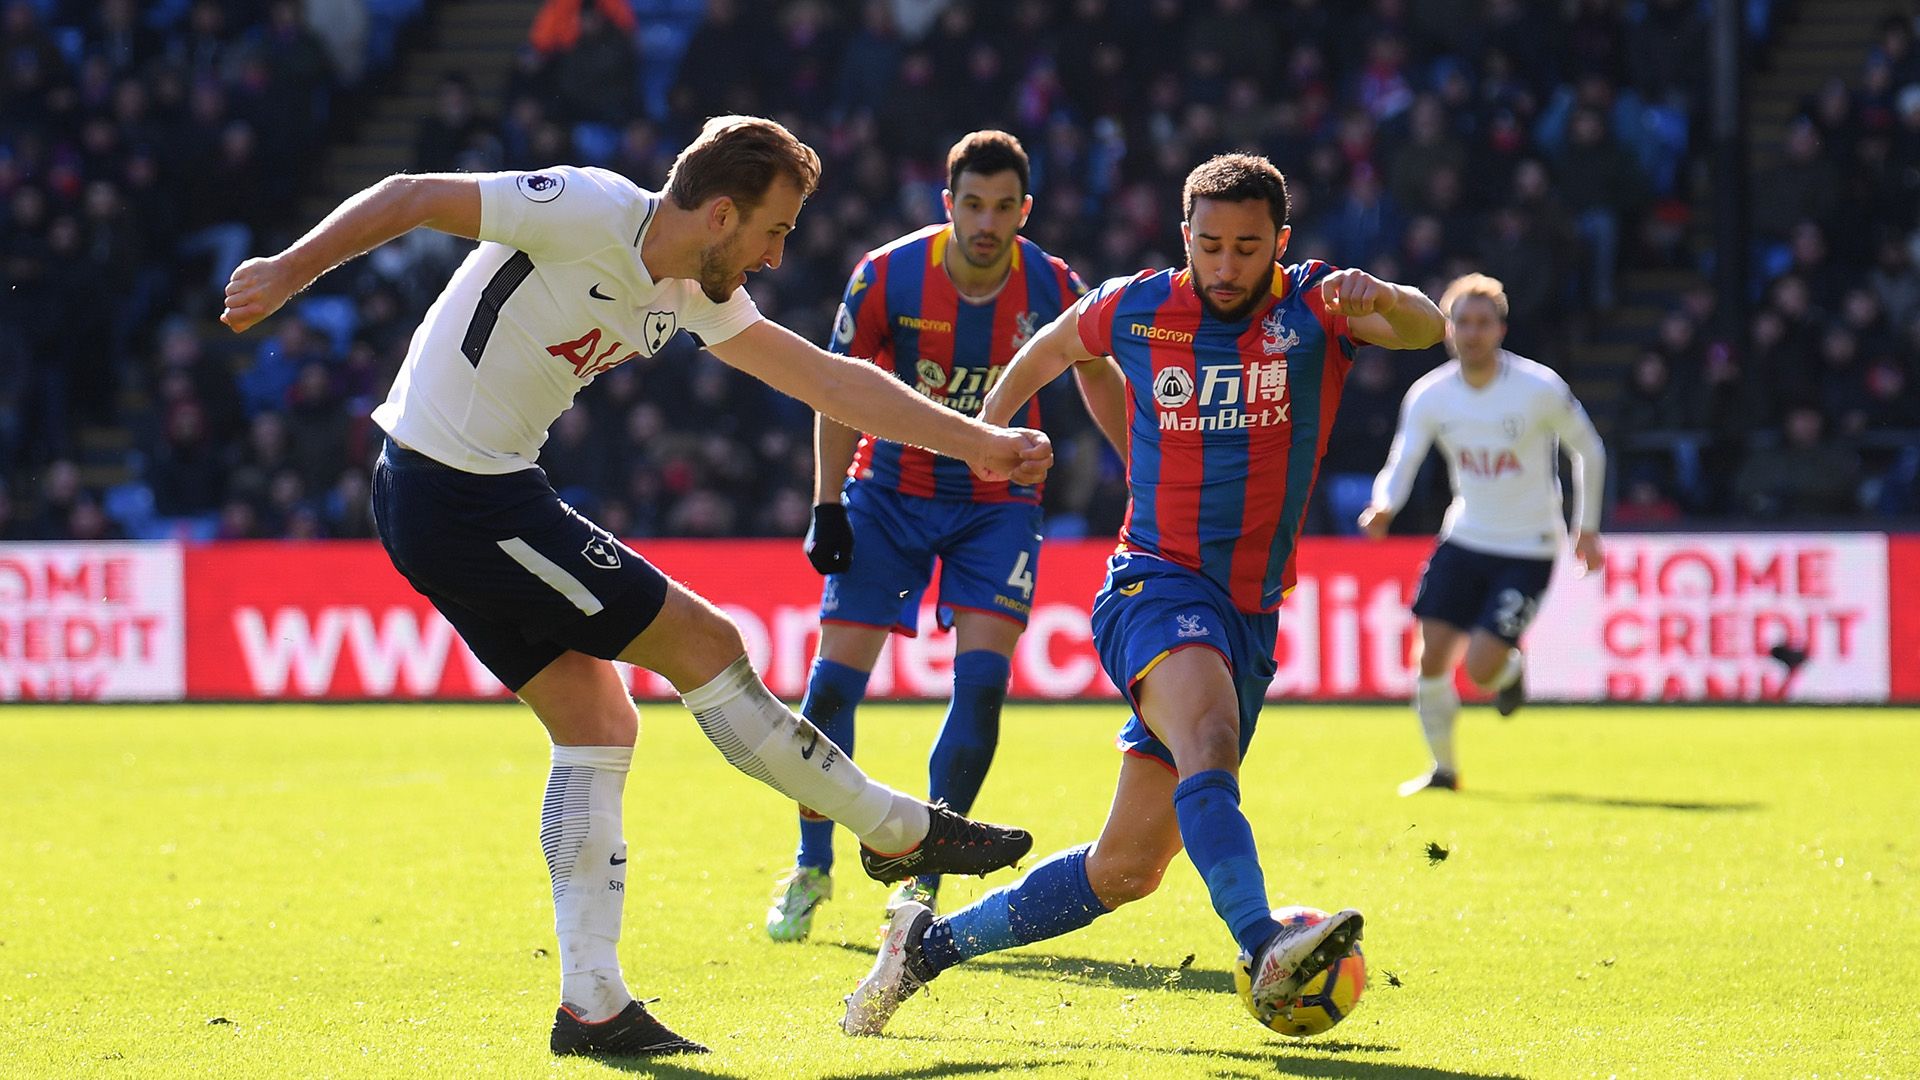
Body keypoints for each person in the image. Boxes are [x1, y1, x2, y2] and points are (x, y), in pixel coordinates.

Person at [219, 115, 1044, 1059]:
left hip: (466, 492)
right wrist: (288, 269)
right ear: (722, 214)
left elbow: (828, 382)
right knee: (707, 644)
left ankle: (593, 1006)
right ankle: (893, 830)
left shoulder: (690, 288)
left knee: (600, 723)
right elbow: (410, 196)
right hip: (458, 494)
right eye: (773, 231)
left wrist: (980, 443)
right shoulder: (584, 206)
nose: (776, 257)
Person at [840, 152, 1445, 1036]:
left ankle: (925, 949)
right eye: (1210, 246)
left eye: (1247, 248)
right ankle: (1262, 941)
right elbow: (1052, 346)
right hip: (1153, 582)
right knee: (1210, 738)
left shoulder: (1317, 304)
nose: (1226, 266)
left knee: (1125, 869)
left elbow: (1426, 328)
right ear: (1184, 237)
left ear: (1280, 242)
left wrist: (1382, 292)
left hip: (1250, 612)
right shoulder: (1138, 304)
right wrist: (987, 435)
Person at [765, 130, 1088, 941]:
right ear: (948, 205)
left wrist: (1137, 478)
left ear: (1024, 210)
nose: (987, 222)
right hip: (888, 497)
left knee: (980, 688)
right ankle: (811, 864)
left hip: (998, 506)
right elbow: (835, 389)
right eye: (972, 205)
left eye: (1003, 207)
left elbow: (1101, 372)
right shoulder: (887, 275)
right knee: (830, 692)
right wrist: (826, 503)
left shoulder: (1054, 285)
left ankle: (923, 878)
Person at [1359, 273, 1606, 797]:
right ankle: (1443, 771)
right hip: (1465, 537)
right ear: (1447, 328)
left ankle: (1509, 670)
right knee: (1430, 656)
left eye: (1482, 323)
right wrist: (1384, 505)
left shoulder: (1538, 388)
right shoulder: (1431, 395)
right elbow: (1403, 459)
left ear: (1500, 329)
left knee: (1480, 669)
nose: (1472, 333)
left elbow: (1588, 450)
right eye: (1462, 322)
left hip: (1529, 546)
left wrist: (1585, 528)